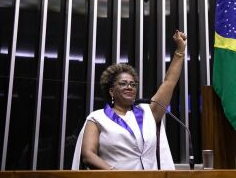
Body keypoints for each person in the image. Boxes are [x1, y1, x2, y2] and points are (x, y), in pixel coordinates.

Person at [71, 30, 187, 170]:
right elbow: (88, 155)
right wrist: (116, 174)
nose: (129, 87)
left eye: (133, 84)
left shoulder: (149, 112)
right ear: (111, 91)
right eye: (123, 83)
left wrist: (180, 50)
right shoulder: (97, 118)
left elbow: (169, 82)